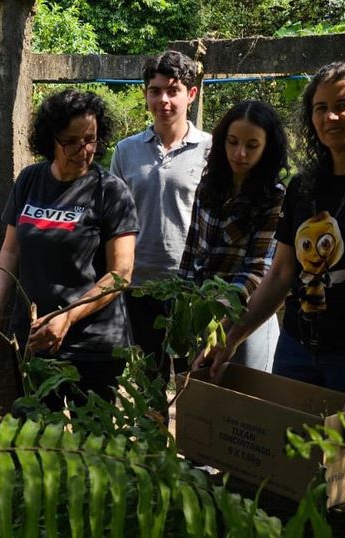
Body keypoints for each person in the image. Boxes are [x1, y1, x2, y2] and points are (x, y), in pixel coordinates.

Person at [195, 61, 345, 509]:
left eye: (342, 105)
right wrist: (229, 340)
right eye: (319, 108)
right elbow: (282, 275)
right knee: (294, 476)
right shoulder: (305, 188)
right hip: (299, 352)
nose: (328, 117)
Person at [0, 89, 136, 408]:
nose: (83, 150)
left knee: (89, 449)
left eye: (90, 139)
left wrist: (67, 318)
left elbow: (121, 274)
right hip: (34, 338)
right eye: (71, 141)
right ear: (50, 138)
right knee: (38, 443)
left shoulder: (111, 192)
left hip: (93, 346)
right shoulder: (29, 180)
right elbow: (10, 251)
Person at [110, 50, 212, 391]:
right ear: (145, 94)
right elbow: (114, 217)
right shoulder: (126, 151)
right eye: (155, 91)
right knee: (146, 384)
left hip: (191, 288)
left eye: (173, 90)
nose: (164, 99)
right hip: (138, 285)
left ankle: (190, 444)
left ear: (191, 94)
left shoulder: (211, 150)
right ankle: (151, 445)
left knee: (193, 383)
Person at [179, 100, 288, 372]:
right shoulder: (208, 185)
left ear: (267, 148)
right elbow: (192, 247)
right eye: (232, 142)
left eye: (252, 146)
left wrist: (224, 307)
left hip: (246, 316)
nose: (240, 153)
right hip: (201, 309)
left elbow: (259, 268)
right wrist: (181, 299)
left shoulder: (274, 198)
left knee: (242, 400)